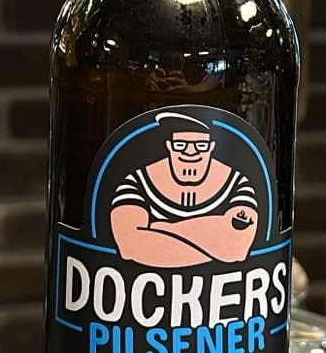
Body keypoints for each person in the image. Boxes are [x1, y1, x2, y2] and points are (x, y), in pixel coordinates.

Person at [109, 111, 259, 267]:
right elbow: (129, 245)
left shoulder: (237, 183)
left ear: (211, 147)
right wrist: (217, 238)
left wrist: (162, 229)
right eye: (180, 145)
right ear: (169, 146)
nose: (190, 152)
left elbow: (237, 248)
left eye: (201, 146)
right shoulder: (137, 183)